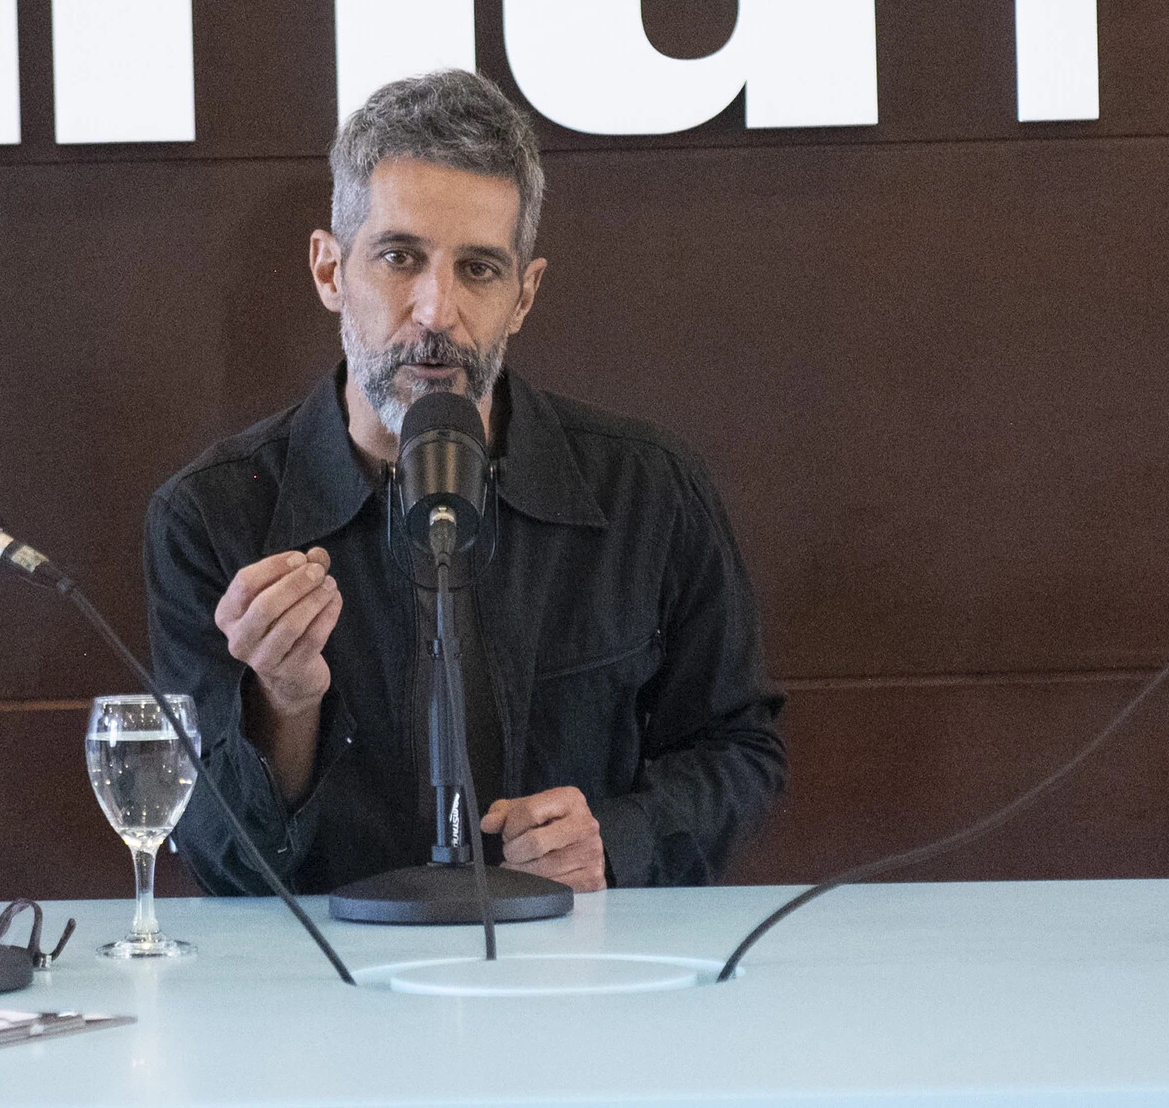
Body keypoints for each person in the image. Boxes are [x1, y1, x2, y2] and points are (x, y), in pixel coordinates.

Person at [145, 69, 785, 897]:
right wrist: (286, 703)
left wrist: (617, 838)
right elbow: (220, 861)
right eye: (400, 257)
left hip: (577, 965)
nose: (436, 311)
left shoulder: (648, 490)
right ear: (330, 270)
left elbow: (742, 753)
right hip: (331, 974)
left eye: (479, 269)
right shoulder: (213, 516)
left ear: (524, 294)